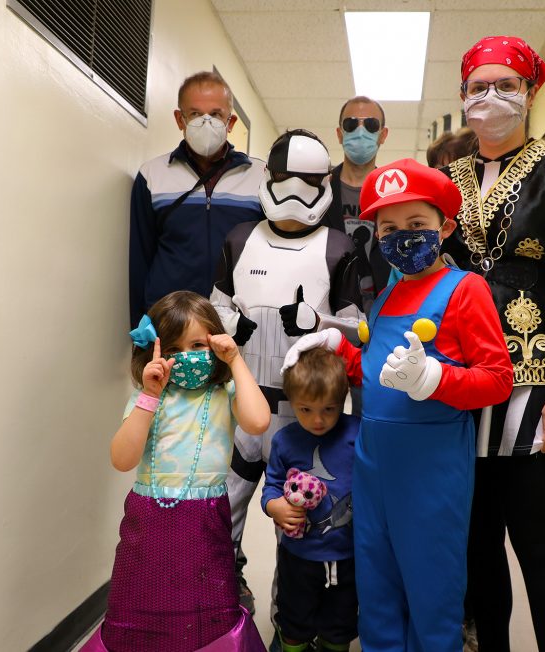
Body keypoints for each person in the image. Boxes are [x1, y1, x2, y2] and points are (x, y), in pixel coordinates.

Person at [284, 159, 515, 652]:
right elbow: (374, 373)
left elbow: (497, 380)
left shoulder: (464, 289)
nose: (402, 238)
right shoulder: (386, 296)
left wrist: (435, 377)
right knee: (378, 586)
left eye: (417, 226)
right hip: (372, 463)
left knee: (432, 590)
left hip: (432, 467)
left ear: (444, 227)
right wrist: (333, 346)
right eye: (389, 228)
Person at [443, 36, 545, 651]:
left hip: (540, 391)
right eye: (478, 87)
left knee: (539, 546)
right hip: (459, 388)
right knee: (477, 547)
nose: (491, 98)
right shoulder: (448, 179)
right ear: (462, 98)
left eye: (505, 86)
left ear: (529, 94)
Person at [210, 129, 363, 616]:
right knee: (224, 509)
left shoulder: (338, 247)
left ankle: (289, 621)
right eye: (284, 178)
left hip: (304, 414)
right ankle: (216, 601)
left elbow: (358, 330)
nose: (294, 190)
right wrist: (230, 325)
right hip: (244, 401)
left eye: (308, 180)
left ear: (324, 183)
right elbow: (214, 312)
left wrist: (320, 323)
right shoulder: (239, 239)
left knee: (298, 519)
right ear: (268, 178)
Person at [81, 291, 271, 652]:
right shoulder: (148, 399)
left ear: (215, 343)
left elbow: (259, 421)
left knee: (204, 614)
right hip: (149, 520)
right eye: (173, 349)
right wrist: (149, 397)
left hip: (205, 522)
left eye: (198, 344)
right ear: (155, 353)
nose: (187, 356)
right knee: (138, 606)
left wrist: (235, 361)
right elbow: (122, 459)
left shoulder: (224, 392)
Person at [129, 71, 265, 328]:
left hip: (238, 323)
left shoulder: (260, 177)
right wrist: (140, 328)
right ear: (180, 119)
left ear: (231, 122)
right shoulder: (152, 176)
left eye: (215, 114)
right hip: (171, 323)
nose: (206, 122)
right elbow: (140, 259)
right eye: (194, 114)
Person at [261, 347, 359, 652]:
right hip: (298, 556)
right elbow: (272, 486)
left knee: (340, 626)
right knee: (293, 621)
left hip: (347, 555)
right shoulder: (284, 439)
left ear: (342, 398)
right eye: (306, 409)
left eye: (328, 409)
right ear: (292, 402)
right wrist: (274, 506)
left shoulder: (357, 433)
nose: (318, 420)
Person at [322, 96, 392, 313]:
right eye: (351, 124)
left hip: (383, 308)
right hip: (328, 307)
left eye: (370, 125)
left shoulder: (394, 193)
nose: (360, 132)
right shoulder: (319, 188)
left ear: (383, 135)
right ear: (340, 134)